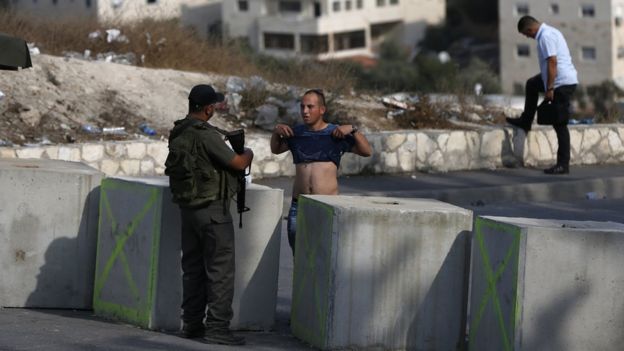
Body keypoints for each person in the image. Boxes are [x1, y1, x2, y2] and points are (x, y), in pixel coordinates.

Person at [165, 84, 253, 345]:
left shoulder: (179, 130)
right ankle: (216, 329)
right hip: (213, 211)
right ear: (208, 108)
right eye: (213, 105)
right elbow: (237, 163)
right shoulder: (206, 134)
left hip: (188, 209)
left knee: (192, 269)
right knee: (220, 271)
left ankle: (192, 324)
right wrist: (248, 153)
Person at [270, 89, 372, 255]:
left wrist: (353, 129)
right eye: (302, 107)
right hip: (299, 206)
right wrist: (276, 132)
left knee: (325, 256)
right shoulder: (296, 133)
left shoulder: (336, 133)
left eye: (310, 107)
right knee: (300, 256)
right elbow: (276, 149)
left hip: (327, 206)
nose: (305, 111)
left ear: (322, 110)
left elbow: (366, 151)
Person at [506, 15, 578, 175]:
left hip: (561, 83)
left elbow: (552, 62)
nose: (527, 37)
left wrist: (550, 88)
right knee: (532, 84)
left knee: (560, 125)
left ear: (530, 29)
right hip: (560, 80)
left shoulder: (545, 37)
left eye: (526, 34)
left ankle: (563, 165)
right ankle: (526, 121)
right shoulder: (551, 32)